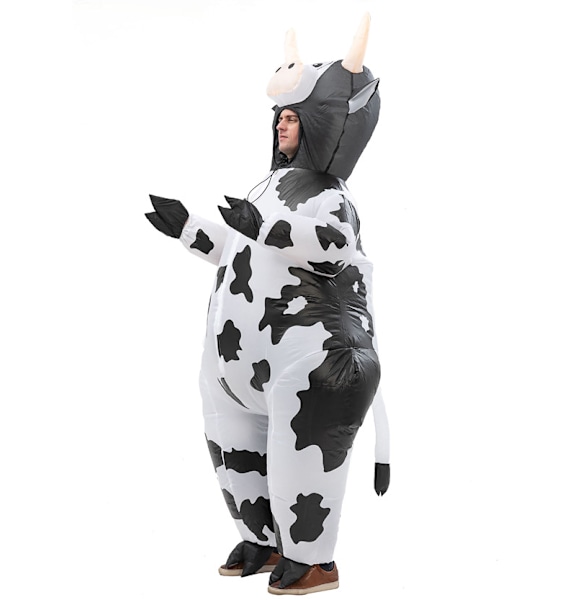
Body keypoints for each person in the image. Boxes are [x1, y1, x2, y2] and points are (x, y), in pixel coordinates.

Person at [145, 14, 390, 596]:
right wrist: (188, 228)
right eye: (280, 114)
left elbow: (331, 244)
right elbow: (239, 250)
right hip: (239, 366)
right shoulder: (264, 187)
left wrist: (265, 226)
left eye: (294, 116)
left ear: (321, 126)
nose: (282, 122)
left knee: (299, 463)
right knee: (235, 450)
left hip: (308, 360)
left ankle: (311, 559)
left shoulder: (330, 197)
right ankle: (261, 539)